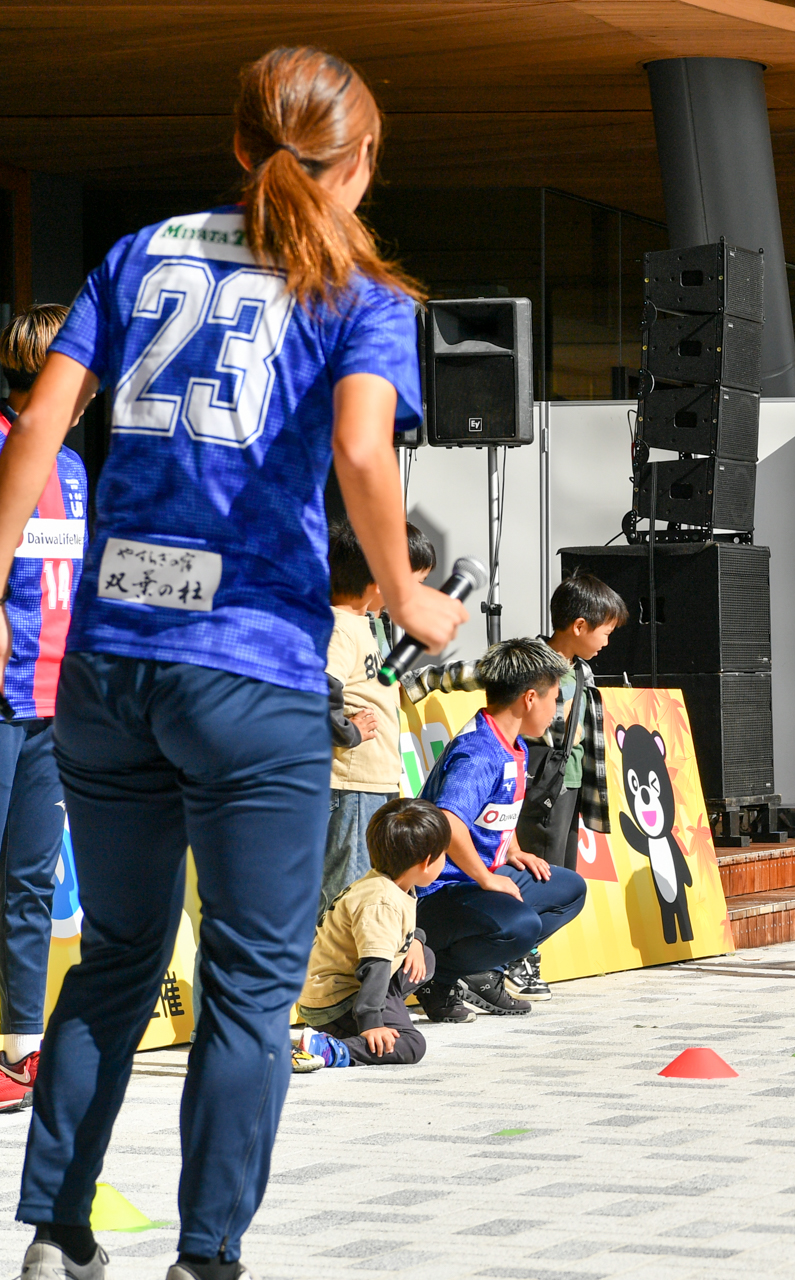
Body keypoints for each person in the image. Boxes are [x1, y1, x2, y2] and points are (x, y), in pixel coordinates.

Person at [0, 47, 468, 1280]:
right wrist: (409, 590)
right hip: (249, 666)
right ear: (359, 159)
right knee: (251, 984)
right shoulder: (360, 289)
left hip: (107, 662)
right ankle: (206, 1256)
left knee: (116, 956)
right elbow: (364, 457)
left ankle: (56, 1232)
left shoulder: (138, 252)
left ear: (237, 145)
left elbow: (42, 423)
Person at [402, 570, 626, 999]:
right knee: (517, 901)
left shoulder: (575, 682)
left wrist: (512, 850)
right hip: (458, 876)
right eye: (606, 631)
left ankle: (502, 956)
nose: (607, 641)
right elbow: (472, 673)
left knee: (558, 875)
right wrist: (414, 682)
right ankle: (479, 964)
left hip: (567, 783)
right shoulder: (506, 707)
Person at [0, 305, 88, 1116]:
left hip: (55, 705)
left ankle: (19, 1048)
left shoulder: (71, 467)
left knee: (28, 880)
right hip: (1, 699)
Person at [414, 638, 589, 1020]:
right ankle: (439, 975)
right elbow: (448, 822)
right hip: (439, 890)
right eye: (553, 699)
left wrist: (512, 850)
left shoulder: (513, 744)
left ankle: (481, 973)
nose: (555, 712)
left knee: (569, 889)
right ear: (529, 699)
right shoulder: (479, 751)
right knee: (520, 926)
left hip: (477, 877)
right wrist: (489, 879)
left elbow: (497, 813)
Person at [320, 520, 436, 924]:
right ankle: (335, 985)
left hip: (372, 784)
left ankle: (360, 982)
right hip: (350, 785)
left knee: (368, 894)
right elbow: (318, 686)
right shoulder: (339, 625)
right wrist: (348, 732)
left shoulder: (366, 625)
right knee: (346, 896)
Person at [294, 797, 453, 1067]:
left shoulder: (387, 882)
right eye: (443, 854)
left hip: (344, 987)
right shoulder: (382, 902)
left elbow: (398, 935)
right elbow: (374, 965)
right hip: (338, 1000)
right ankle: (331, 1049)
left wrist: (415, 939)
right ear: (427, 862)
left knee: (424, 957)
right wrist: (372, 1022)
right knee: (411, 1045)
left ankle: (374, 1017)